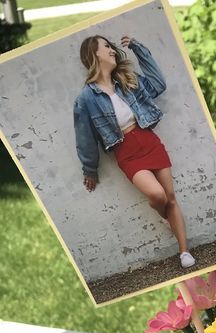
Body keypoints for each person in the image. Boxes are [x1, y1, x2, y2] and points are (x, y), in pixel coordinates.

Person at [74, 35, 195, 269]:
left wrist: (139, 49)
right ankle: (162, 212)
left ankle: (184, 252)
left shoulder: (126, 80)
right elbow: (84, 137)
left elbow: (159, 85)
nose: (112, 50)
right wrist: (89, 168)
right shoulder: (86, 98)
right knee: (158, 197)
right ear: (94, 54)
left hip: (149, 141)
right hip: (126, 151)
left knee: (170, 198)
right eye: (106, 47)